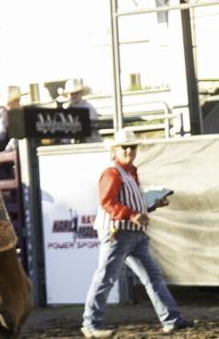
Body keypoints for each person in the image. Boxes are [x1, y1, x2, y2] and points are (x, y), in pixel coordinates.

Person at [81, 130, 194, 337]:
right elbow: (107, 203)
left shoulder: (129, 172)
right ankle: (90, 325)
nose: (128, 150)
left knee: (152, 277)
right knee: (106, 278)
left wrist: (150, 206)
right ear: (115, 149)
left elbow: (126, 203)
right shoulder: (112, 172)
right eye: (124, 146)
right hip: (117, 232)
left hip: (132, 233)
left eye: (131, 146)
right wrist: (133, 215)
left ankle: (172, 319)